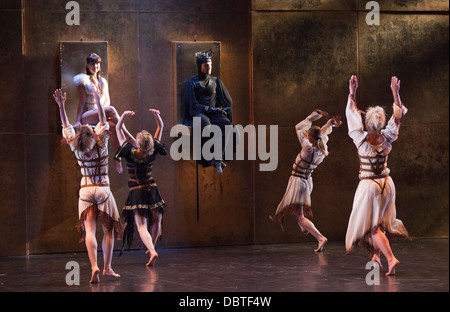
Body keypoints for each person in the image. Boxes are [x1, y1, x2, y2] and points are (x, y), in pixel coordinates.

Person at [53, 88, 122, 284]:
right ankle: (107, 267)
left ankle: (94, 266)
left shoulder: (76, 147)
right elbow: (102, 118)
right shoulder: (101, 142)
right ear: (93, 134)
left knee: (89, 230)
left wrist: (61, 106)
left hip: (85, 191)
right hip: (103, 189)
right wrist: (99, 101)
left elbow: (66, 125)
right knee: (108, 231)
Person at [345, 75, 410, 276]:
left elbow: (351, 113)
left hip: (370, 186)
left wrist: (353, 92)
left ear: (366, 122)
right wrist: (395, 93)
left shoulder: (360, 138)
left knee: (372, 227)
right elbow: (398, 116)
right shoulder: (388, 136)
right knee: (378, 222)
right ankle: (376, 256)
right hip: (387, 184)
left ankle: (391, 258)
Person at [270, 109, 342, 252]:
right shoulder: (322, 148)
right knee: (298, 214)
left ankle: (320, 237)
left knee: (300, 216)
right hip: (306, 181)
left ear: (311, 139)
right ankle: (305, 229)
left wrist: (316, 115)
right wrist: (330, 123)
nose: (306, 136)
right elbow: (322, 133)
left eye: (308, 136)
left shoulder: (307, 148)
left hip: (299, 182)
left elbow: (299, 127)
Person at [115, 109, 167, 266]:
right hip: (152, 189)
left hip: (137, 190)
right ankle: (153, 245)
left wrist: (123, 116)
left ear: (137, 142)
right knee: (157, 219)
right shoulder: (153, 151)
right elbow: (161, 127)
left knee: (141, 225)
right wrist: (157, 116)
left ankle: (152, 250)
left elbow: (118, 129)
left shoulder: (129, 152)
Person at [73, 53, 132, 174]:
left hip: (100, 114)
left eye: (97, 64)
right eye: (93, 64)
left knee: (114, 126)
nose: (95, 66)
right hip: (87, 116)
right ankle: (128, 136)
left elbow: (107, 101)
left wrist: (104, 118)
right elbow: (81, 103)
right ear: (88, 65)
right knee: (111, 110)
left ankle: (117, 157)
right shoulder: (83, 81)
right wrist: (78, 120)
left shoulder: (103, 81)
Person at [182, 49, 235, 174]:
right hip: (199, 113)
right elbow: (192, 104)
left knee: (226, 124)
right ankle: (211, 159)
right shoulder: (192, 83)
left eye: (210, 65)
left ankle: (217, 158)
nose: (209, 68)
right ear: (199, 66)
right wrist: (209, 109)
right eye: (206, 65)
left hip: (214, 112)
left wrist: (223, 110)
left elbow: (227, 101)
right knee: (206, 125)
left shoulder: (216, 81)